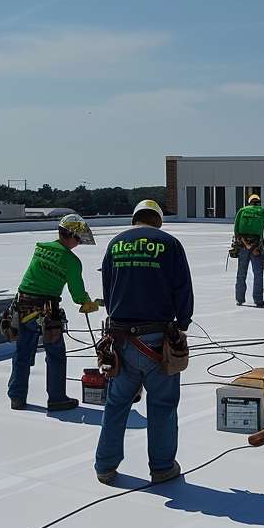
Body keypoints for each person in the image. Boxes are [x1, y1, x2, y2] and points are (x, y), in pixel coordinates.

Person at [95, 200, 194, 485]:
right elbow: (182, 287)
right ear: (158, 221)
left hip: (121, 339)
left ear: (135, 218)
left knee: (116, 404)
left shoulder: (115, 244)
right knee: (162, 404)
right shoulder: (169, 243)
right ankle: (162, 467)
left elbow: (107, 287)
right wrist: (183, 325)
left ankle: (105, 465)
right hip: (157, 339)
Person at [7, 213, 101, 411]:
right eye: (78, 238)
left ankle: (17, 398)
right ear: (71, 235)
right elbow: (77, 294)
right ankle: (57, 399)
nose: (79, 243)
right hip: (47, 312)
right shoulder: (72, 261)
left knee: (22, 354)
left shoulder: (41, 249)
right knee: (56, 355)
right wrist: (87, 304)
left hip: (22, 307)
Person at [231, 193, 264, 307]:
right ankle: (258, 300)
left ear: (249, 202)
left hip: (243, 245)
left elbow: (236, 228)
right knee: (258, 274)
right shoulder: (261, 211)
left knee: (241, 273)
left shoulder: (242, 211)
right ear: (258, 202)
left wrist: (239, 242)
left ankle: (239, 299)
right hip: (256, 247)